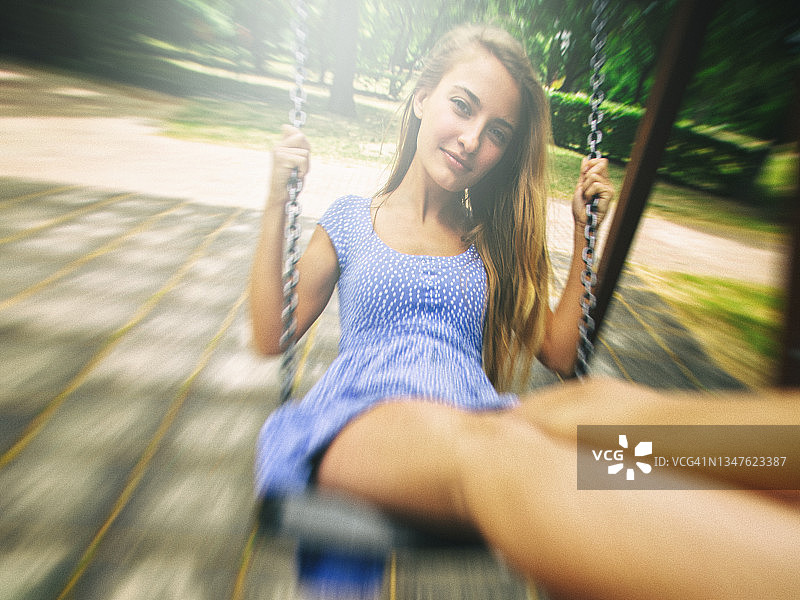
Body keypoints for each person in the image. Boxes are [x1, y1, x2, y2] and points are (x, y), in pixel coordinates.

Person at [249, 24, 800, 600]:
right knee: (508, 453)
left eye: (496, 133)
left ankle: (764, 462)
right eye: (462, 107)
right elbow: (272, 333)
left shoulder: (488, 244)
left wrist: (588, 233)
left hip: (477, 411)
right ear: (421, 97)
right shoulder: (350, 220)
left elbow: (561, 353)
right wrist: (276, 199)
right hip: (363, 419)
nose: (471, 139)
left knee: (609, 411)